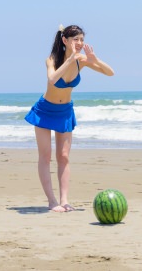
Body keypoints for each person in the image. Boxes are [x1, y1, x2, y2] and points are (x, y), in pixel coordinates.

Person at [24, 24, 114, 212]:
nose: (80, 43)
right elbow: (52, 78)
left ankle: (65, 200)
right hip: (45, 110)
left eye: (82, 39)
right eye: (76, 40)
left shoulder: (82, 60)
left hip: (65, 111)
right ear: (65, 41)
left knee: (63, 156)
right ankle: (52, 201)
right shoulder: (52, 60)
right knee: (46, 156)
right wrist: (70, 60)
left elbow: (110, 72)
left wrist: (95, 59)